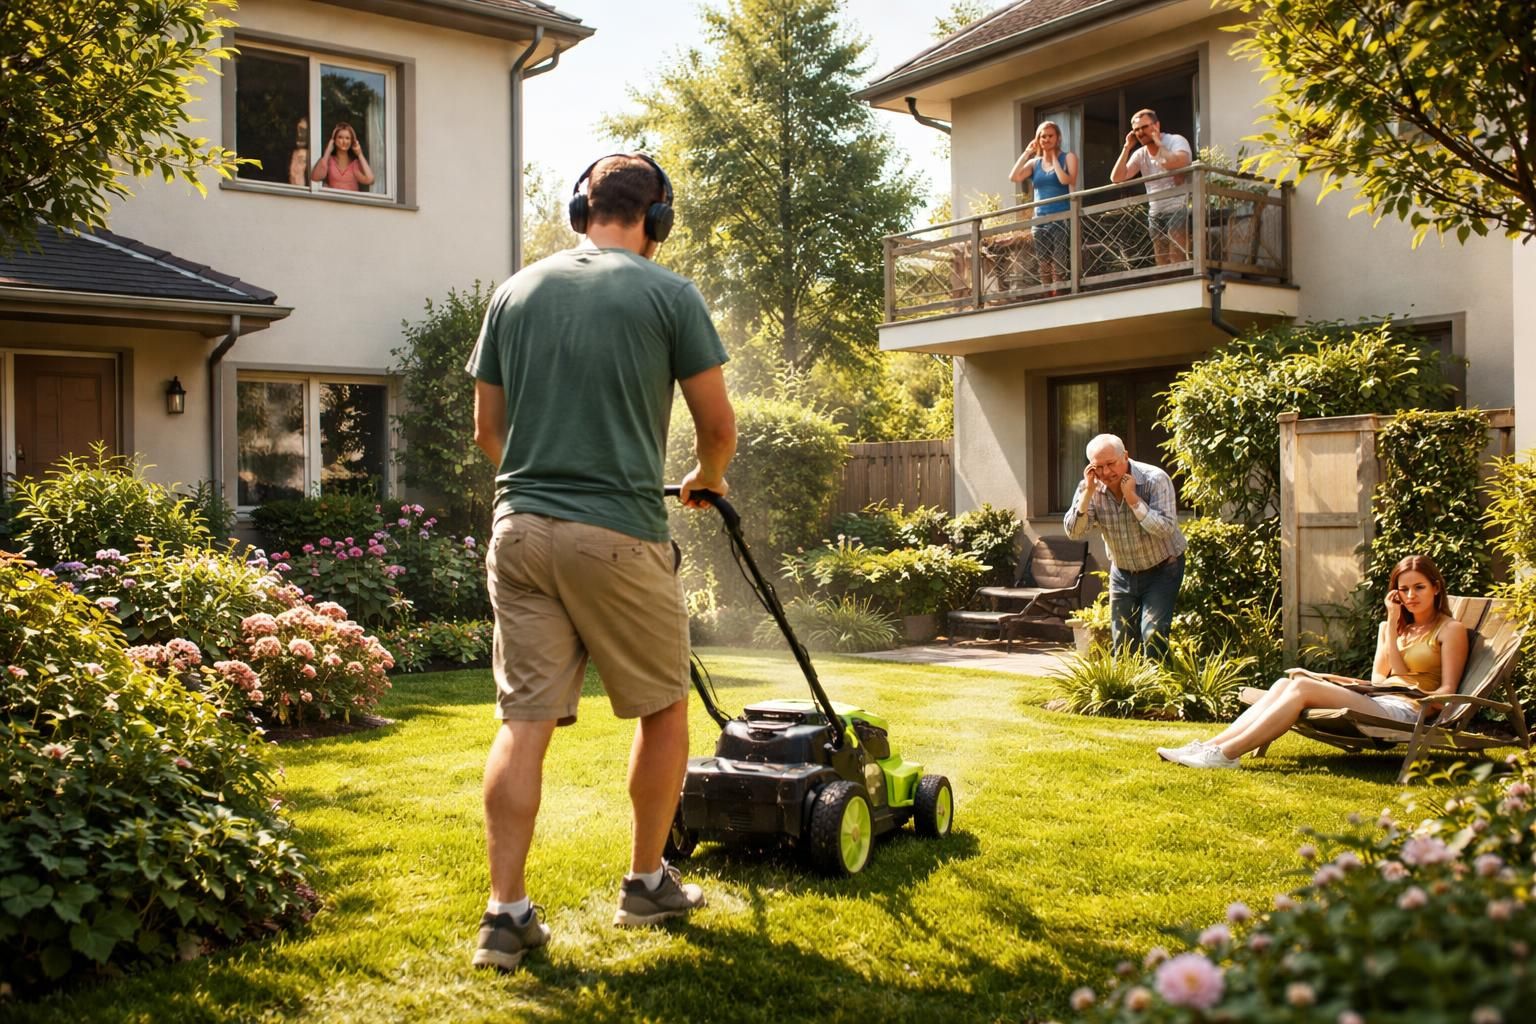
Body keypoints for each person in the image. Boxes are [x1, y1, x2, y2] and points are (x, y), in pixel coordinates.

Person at [464, 153, 736, 972]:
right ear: (657, 220)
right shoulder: (670, 295)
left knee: (523, 725)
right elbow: (718, 429)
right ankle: (647, 882)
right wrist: (702, 482)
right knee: (664, 709)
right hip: (615, 533)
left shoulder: (515, 291)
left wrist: (544, 475)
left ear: (581, 209)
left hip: (518, 532)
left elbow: (489, 432)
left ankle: (504, 914)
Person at [1158, 555, 1468, 769]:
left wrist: (1406, 689)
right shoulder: (1391, 628)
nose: (1411, 596)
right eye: (1403, 589)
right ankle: (1208, 746)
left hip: (1408, 712)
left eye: (1419, 587)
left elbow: (1447, 693)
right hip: (1380, 699)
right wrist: (1325, 674)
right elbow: (1378, 680)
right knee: (1286, 682)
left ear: (1436, 588)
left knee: (1303, 687)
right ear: (1395, 593)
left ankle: (1226, 754)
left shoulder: (1449, 630)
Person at [1063, 433, 1186, 658]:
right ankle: (1129, 691)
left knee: (1153, 635)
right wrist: (1088, 493)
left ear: (1125, 456)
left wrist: (1133, 500)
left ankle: (1160, 690)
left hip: (1163, 567)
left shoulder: (1154, 479)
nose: (1106, 472)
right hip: (1122, 572)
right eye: (1098, 467)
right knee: (1124, 643)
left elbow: (1165, 528)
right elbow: (1074, 531)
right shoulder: (1089, 488)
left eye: (1111, 464)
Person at [1109, 108, 1193, 266]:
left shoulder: (1175, 141)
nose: (1140, 132)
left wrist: (1158, 142)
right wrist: (1127, 147)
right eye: (1136, 130)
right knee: (1161, 257)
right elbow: (1117, 178)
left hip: (1178, 207)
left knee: (1177, 254)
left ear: (1157, 125)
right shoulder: (1141, 153)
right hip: (1155, 211)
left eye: (1145, 127)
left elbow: (1173, 163)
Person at [1008, 121, 1078, 297]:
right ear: (1038, 139)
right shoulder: (1034, 163)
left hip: (1061, 215)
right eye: (1043, 136)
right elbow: (1014, 177)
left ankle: (1061, 292)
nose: (1046, 139)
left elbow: (1066, 180)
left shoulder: (1067, 157)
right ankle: (1048, 293)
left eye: (1050, 136)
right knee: (1043, 261)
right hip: (1039, 218)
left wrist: (1054, 158)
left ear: (1058, 138)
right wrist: (1026, 153)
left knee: (1060, 259)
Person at [309, 122, 375, 191]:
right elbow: (315, 177)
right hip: (332, 200)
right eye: (340, 137)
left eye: (347, 138)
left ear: (352, 141)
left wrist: (359, 153)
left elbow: (370, 179)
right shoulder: (330, 161)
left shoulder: (354, 164)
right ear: (334, 139)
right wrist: (328, 150)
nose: (344, 141)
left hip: (351, 201)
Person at [286, 116, 310, 187]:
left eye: (303, 131)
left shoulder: (311, 154)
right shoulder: (291, 153)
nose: (299, 134)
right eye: (297, 131)